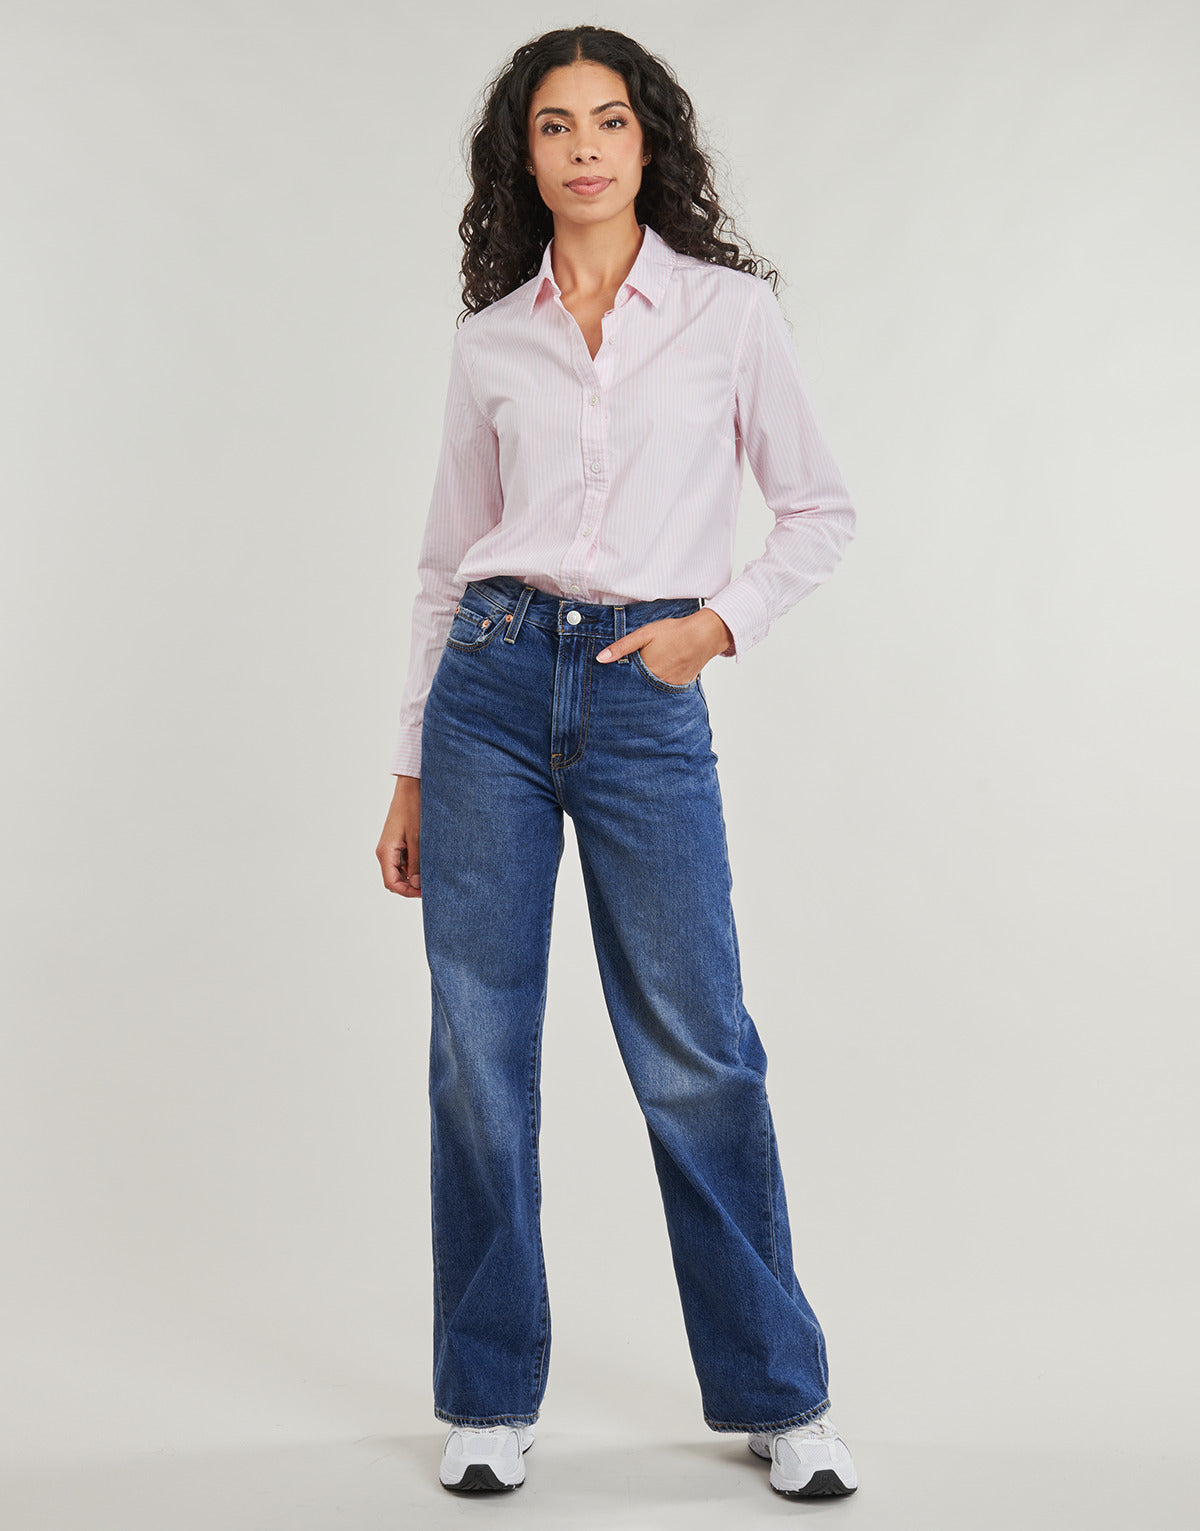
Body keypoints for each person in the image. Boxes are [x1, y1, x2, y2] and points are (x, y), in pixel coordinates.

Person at [375, 25, 860, 1500]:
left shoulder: (727, 315)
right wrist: (409, 765)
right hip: (487, 688)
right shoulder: (491, 340)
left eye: (609, 121)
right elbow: (447, 562)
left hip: (646, 691)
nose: (584, 148)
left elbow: (820, 511)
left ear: (650, 142)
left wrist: (714, 628)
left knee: (697, 1045)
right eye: (554, 126)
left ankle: (779, 1394)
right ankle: (486, 1397)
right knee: (478, 1048)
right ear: (521, 157)